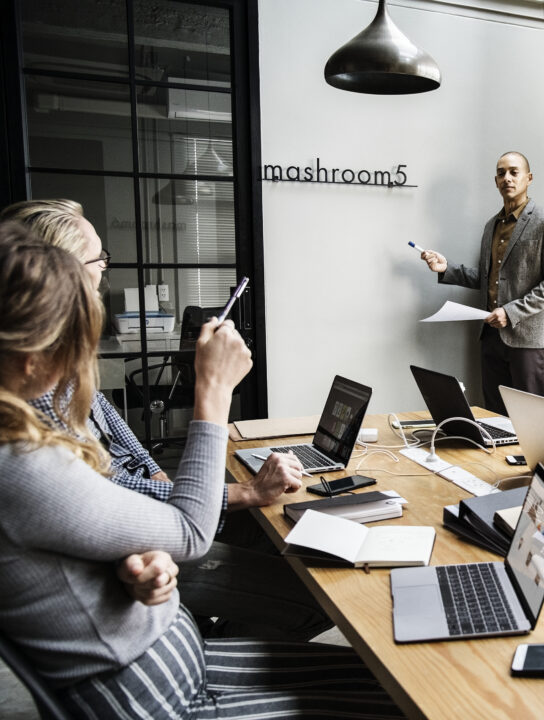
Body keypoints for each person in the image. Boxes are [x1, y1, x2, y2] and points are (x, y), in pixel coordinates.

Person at [0, 224, 402, 717]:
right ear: (29, 355)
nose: (81, 360)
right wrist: (211, 391)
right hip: (161, 701)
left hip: (172, 665)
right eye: (75, 339)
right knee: (396, 700)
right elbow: (190, 531)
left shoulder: (22, 445)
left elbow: (74, 542)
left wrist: (135, 559)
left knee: (383, 676)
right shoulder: (20, 463)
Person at [1, 198, 331, 639]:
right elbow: (164, 520)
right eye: (97, 258)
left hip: (149, 531)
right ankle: (208, 645)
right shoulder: (35, 408)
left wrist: (166, 487)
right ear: (53, 277)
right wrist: (212, 390)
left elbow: (131, 456)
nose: (103, 268)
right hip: (145, 546)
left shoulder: (58, 378)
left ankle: (214, 634)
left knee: (285, 538)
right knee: (320, 592)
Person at [419, 152, 544, 414]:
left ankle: (533, 459)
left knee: (531, 417)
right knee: (495, 416)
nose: (507, 178)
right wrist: (447, 269)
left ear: (529, 178)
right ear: (495, 181)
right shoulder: (491, 226)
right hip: (490, 337)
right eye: (501, 173)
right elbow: (490, 277)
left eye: (514, 172)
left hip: (527, 340)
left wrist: (511, 313)